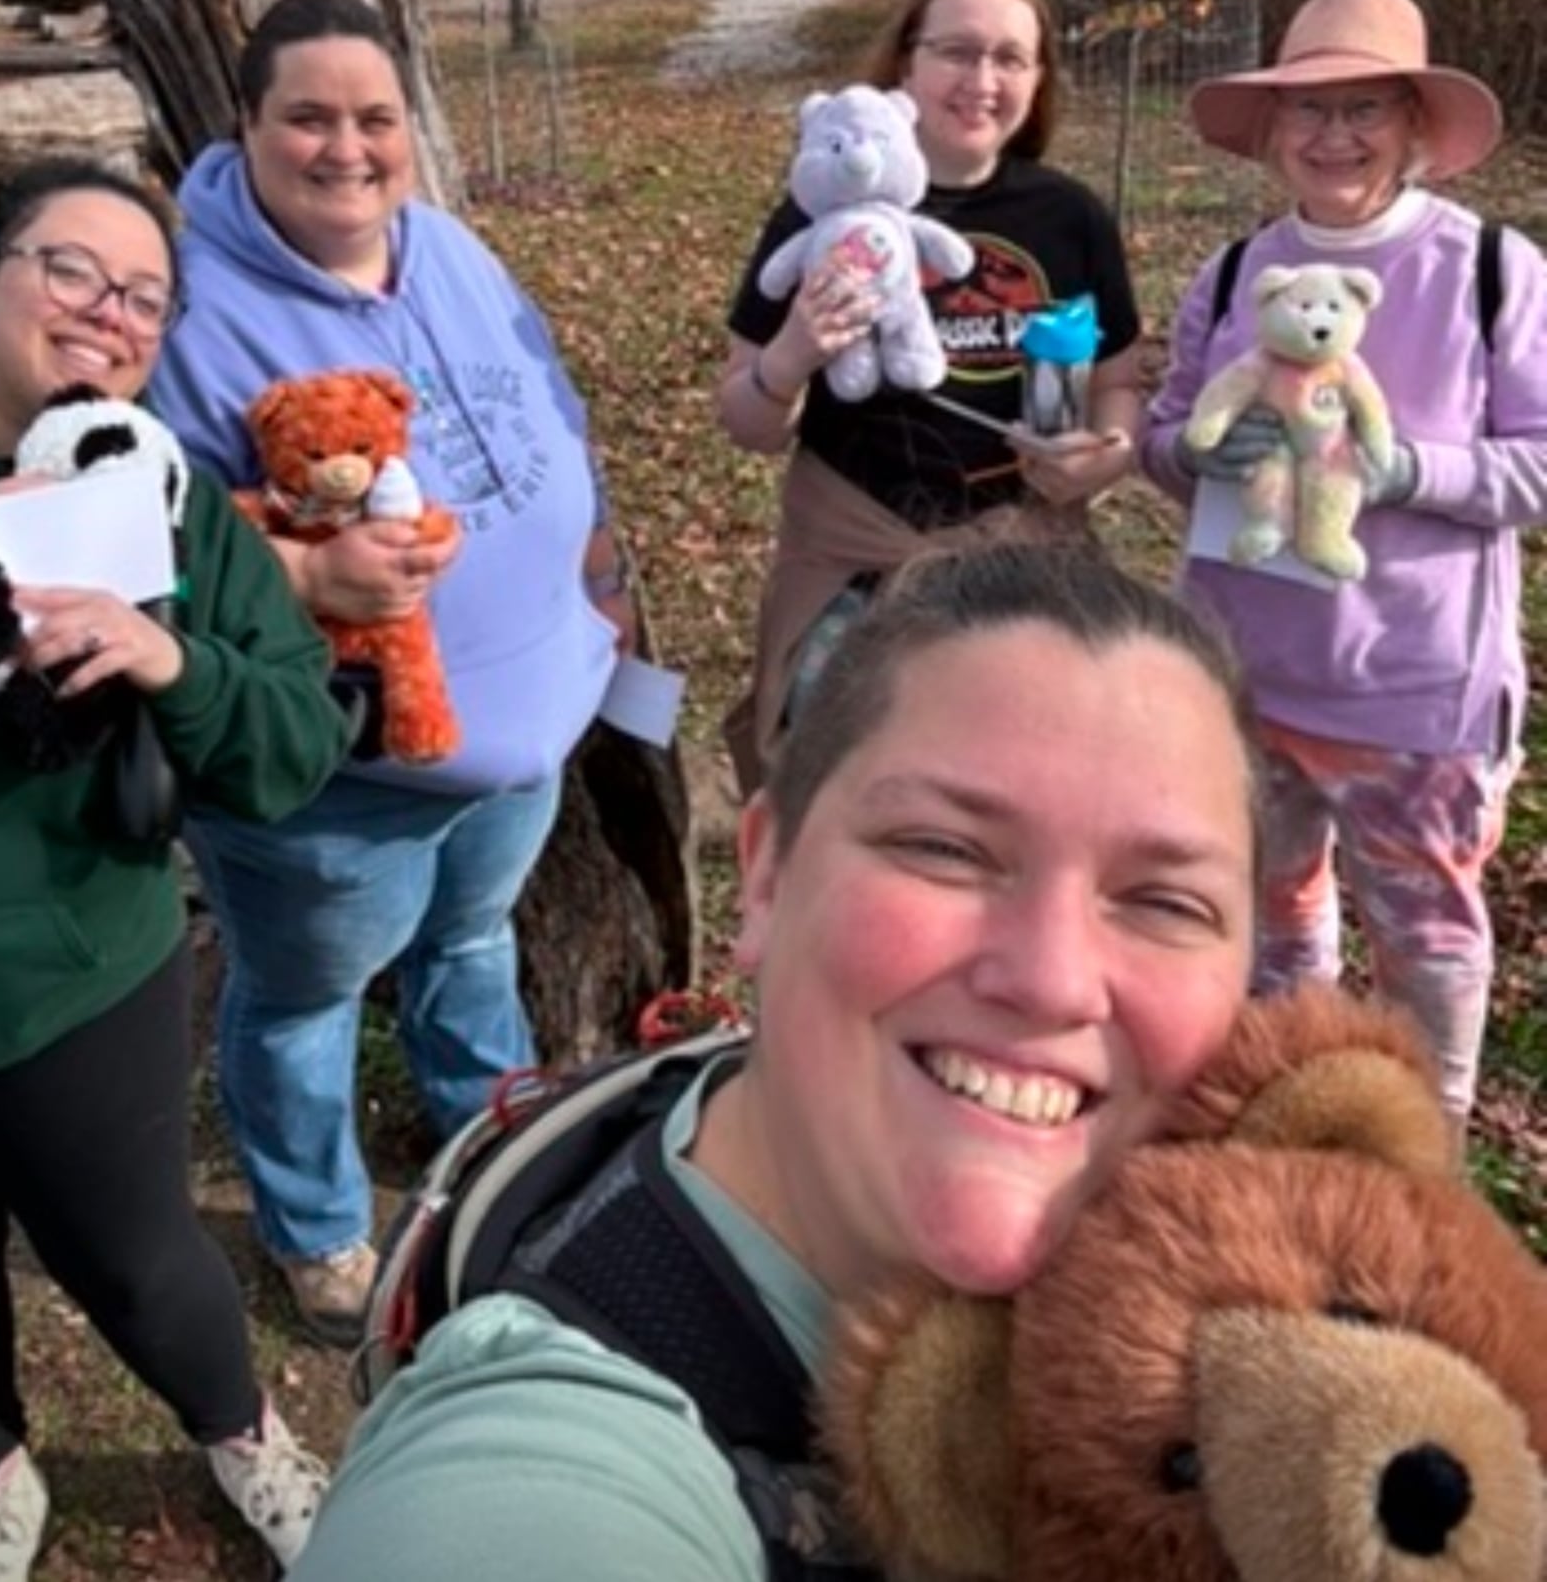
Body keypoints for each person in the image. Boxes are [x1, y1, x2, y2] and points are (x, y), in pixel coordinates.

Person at [286, 537, 1258, 1581]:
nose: (1055, 978)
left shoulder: (1272, 1270)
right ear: (764, 875)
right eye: (945, 847)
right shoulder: (546, 1468)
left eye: (1164, 899)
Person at [151, 0, 630, 1348]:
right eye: (307, 117)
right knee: (302, 995)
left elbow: (558, 411)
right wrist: (302, 578)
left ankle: (483, 1144)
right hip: (332, 779)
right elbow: (145, 544)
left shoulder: (453, 250)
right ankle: (317, 1226)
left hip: (520, 739)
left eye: (375, 117)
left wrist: (600, 583)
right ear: (243, 123)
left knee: (472, 942)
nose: (346, 147)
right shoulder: (189, 312)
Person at [0, 160, 347, 1581]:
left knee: (133, 1259)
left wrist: (175, 656)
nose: (110, 313)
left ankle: (245, 1432)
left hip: (69, 969)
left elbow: (297, 738)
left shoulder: (155, 492)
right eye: (73, 271)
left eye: (144, 298)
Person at [1140, 0, 1547, 1127]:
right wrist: (1204, 453)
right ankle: (1287, 1124)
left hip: (1411, 697)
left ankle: (1423, 1163)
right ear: (1270, 132)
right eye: (1308, 111)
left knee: (1424, 950)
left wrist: (1404, 468)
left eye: (1363, 108)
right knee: (1272, 926)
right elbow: (1166, 438)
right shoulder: (1233, 275)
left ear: (1414, 126)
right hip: (1243, 682)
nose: (1334, 136)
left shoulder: (1489, 272)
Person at [718, 0, 1143, 787]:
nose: (981, 79)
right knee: (841, 792)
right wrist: (793, 356)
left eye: (1010, 57)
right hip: (854, 564)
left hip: (1025, 562)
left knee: (1022, 795)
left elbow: (1118, 380)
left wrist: (1108, 452)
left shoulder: (1070, 217)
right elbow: (745, 424)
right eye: (955, 50)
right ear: (904, 63)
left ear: (1038, 78)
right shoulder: (819, 216)